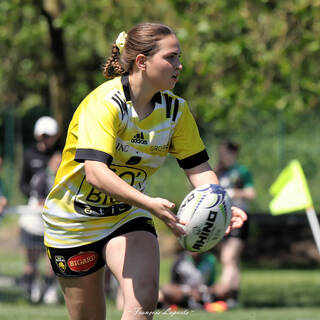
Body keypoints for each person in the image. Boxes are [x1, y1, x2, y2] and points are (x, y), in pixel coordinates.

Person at [42, 22, 247, 320]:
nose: (179, 65)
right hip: (72, 221)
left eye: (179, 57)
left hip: (128, 214)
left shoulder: (176, 111)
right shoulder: (104, 103)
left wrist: (221, 203)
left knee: (143, 302)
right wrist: (150, 203)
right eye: (171, 57)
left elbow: (200, 172)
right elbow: (96, 173)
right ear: (142, 61)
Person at [19, 116, 60, 303]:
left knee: (51, 254)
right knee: (32, 253)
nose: (46, 138)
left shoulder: (58, 155)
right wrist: (35, 198)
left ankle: (50, 289)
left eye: (49, 135)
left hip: (55, 210)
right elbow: (23, 183)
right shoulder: (29, 155)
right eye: (43, 135)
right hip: (34, 211)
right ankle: (31, 288)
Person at [213, 139, 256, 308]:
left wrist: (234, 192)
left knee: (228, 258)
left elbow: (251, 193)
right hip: (223, 219)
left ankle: (220, 295)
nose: (221, 156)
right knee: (231, 262)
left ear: (232, 153)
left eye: (224, 153)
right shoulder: (218, 171)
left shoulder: (241, 171)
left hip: (239, 218)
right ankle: (233, 297)